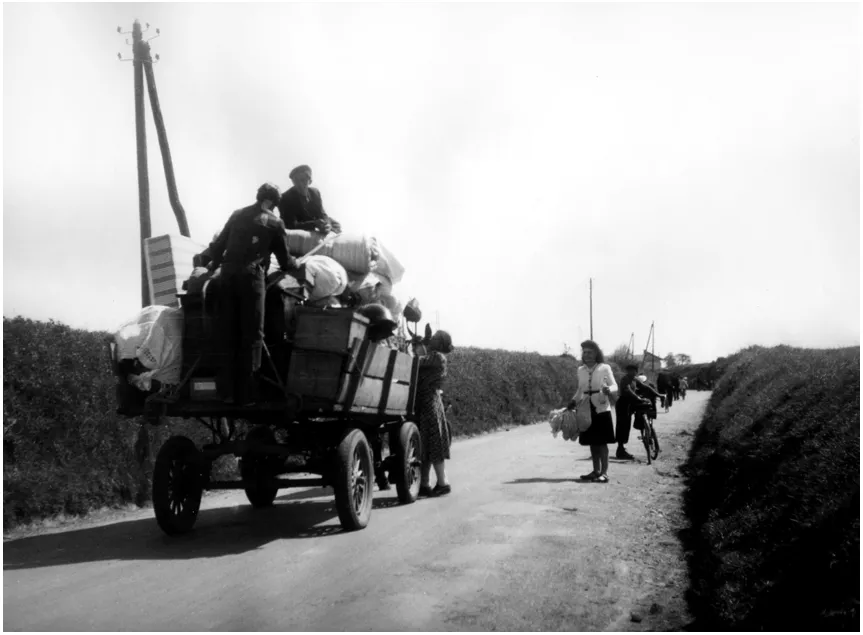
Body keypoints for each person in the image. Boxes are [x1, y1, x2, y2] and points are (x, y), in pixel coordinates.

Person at [207, 183, 300, 404]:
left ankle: (224, 393)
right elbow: (286, 261)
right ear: (273, 202)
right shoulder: (275, 222)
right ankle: (247, 395)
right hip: (250, 279)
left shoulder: (237, 214)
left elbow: (218, 247)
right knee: (252, 334)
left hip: (226, 276)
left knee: (227, 331)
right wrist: (295, 262)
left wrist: (214, 266)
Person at [567, 340, 618, 483]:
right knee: (592, 442)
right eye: (584, 352)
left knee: (602, 442)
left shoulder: (604, 368)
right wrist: (573, 401)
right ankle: (595, 471)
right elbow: (580, 390)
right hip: (586, 409)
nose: (587, 355)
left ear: (596, 353)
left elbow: (615, 385)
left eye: (590, 352)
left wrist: (609, 390)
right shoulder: (580, 370)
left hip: (601, 408)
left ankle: (605, 472)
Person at [413, 329, 455, 497]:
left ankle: (442, 483)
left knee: (433, 443)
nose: (432, 340)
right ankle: (425, 484)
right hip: (428, 402)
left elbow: (416, 362)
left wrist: (418, 346)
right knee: (427, 444)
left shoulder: (437, 357)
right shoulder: (436, 357)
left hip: (429, 402)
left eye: (435, 339)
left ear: (439, 344)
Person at [277, 164, 342, 234]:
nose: (300, 184)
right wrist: (314, 224)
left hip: (314, 223)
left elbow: (322, 213)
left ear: (310, 181)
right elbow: (290, 225)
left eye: (303, 180)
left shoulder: (315, 193)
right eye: (296, 180)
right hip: (300, 226)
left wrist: (327, 224)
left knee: (335, 224)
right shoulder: (285, 198)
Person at [614, 363, 641, 460]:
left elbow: (644, 387)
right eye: (629, 370)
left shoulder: (635, 379)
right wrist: (637, 398)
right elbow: (628, 390)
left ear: (636, 372)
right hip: (622, 404)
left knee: (626, 427)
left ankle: (621, 449)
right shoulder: (625, 379)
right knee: (622, 427)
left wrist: (657, 394)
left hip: (629, 405)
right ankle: (620, 450)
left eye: (633, 370)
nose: (631, 372)